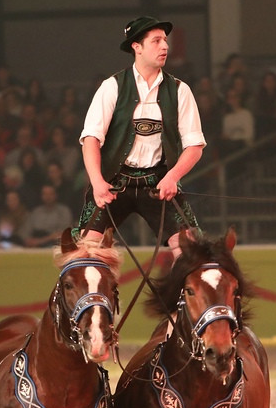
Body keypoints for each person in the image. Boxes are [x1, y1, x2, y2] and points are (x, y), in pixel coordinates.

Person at [75, 16, 206, 257]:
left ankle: (180, 296)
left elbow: (195, 146)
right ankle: (90, 297)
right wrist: (97, 182)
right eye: (156, 41)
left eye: (165, 41)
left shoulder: (179, 90)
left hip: (159, 182)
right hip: (113, 182)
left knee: (192, 251)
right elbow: (91, 139)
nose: (165, 46)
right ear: (137, 47)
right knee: (85, 251)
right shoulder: (112, 86)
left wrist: (172, 177)